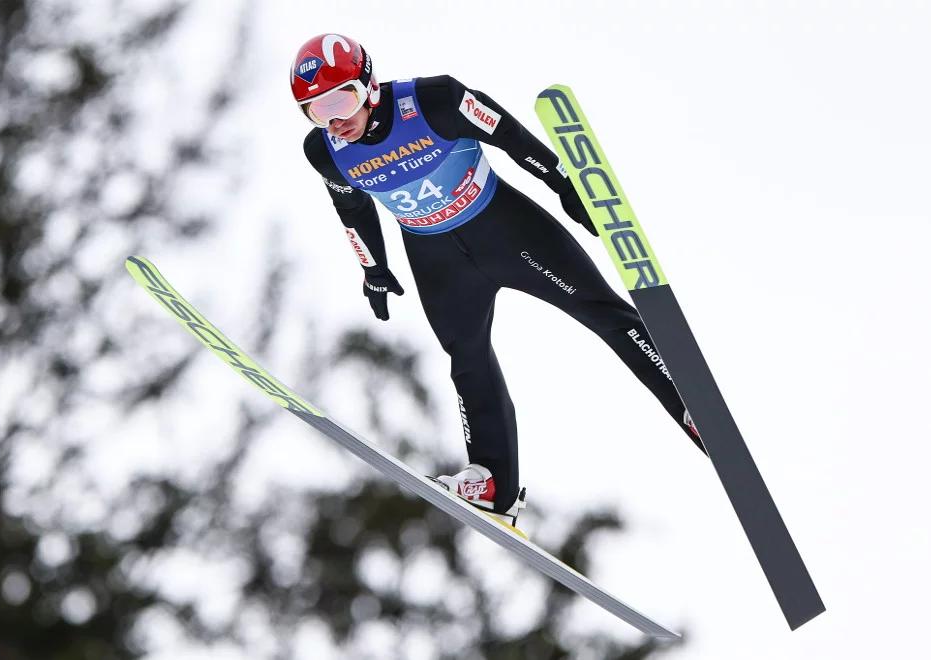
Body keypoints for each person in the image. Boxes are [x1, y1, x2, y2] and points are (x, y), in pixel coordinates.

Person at [292, 33, 705, 531]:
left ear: (369, 84)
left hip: (506, 230)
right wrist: (373, 269)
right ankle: (493, 483)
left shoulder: (433, 100)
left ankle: (689, 404)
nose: (335, 119)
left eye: (341, 99)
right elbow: (352, 209)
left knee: (602, 311)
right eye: (316, 110)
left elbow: (505, 132)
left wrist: (562, 184)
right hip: (436, 259)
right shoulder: (326, 152)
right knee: (466, 359)